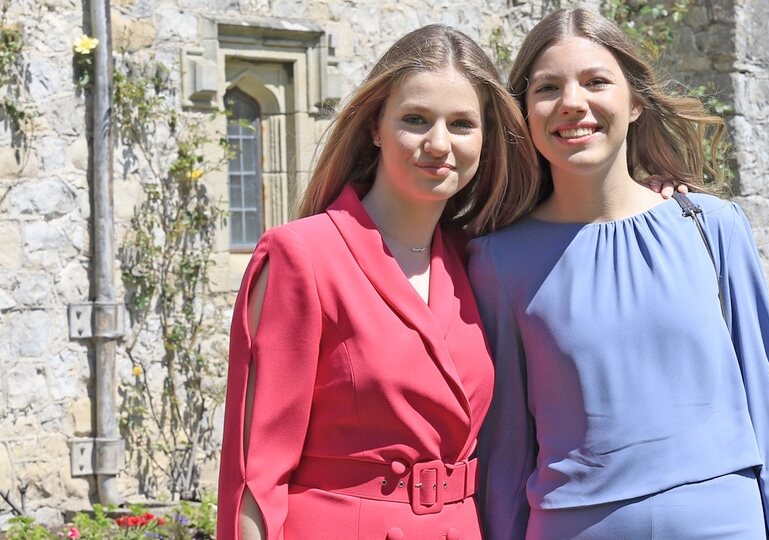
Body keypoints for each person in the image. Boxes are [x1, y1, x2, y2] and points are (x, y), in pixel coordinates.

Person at [469, 8, 769, 540]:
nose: (573, 103)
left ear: (635, 101)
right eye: (547, 87)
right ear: (524, 112)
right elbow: (505, 447)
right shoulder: (497, 262)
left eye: (596, 82)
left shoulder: (712, 228)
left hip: (725, 523)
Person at [215, 24, 542, 539]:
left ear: (486, 138)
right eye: (415, 119)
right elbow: (257, 472)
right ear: (375, 126)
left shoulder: (479, 259)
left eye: (461, 124)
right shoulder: (303, 257)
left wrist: (648, 187)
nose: (439, 143)